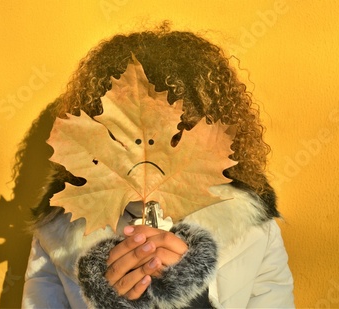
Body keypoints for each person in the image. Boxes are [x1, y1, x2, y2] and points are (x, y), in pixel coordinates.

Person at [20, 23, 294, 308]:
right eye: (121, 132)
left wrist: (194, 302)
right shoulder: (58, 229)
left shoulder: (252, 226)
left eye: (175, 131)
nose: (145, 151)